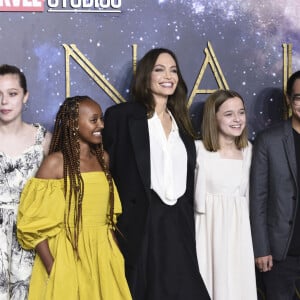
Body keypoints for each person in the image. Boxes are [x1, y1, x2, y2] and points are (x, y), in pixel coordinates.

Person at [103, 48, 210, 300]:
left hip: (178, 222)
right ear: (145, 76)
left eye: (173, 70)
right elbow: (106, 171)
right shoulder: (122, 116)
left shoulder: (182, 124)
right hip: (142, 223)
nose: (168, 76)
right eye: (159, 69)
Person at [16, 96, 132, 300]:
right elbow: (34, 225)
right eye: (94, 120)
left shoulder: (103, 159)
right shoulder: (55, 164)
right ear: (73, 123)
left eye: (101, 119)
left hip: (103, 255)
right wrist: (54, 268)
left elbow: (109, 215)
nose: (101, 125)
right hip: (68, 254)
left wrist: (115, 255)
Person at [194, 89, 257, 300]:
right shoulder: (198, 151)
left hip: (239, 234)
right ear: (214, 117)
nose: (237, 119)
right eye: (229, 114)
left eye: (241, 112)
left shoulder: (250, 151)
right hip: (206, 232)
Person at [0, 64, 51, 299]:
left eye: (12, 94)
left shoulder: (43, 140)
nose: (4, 101)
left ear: (25, 96)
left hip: (30, 239)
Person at [250, 71, 300, 299]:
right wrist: (262, 249)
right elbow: (257, 199)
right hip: (280, 254)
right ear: (289, 100)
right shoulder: (268, 140)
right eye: (299, 97)